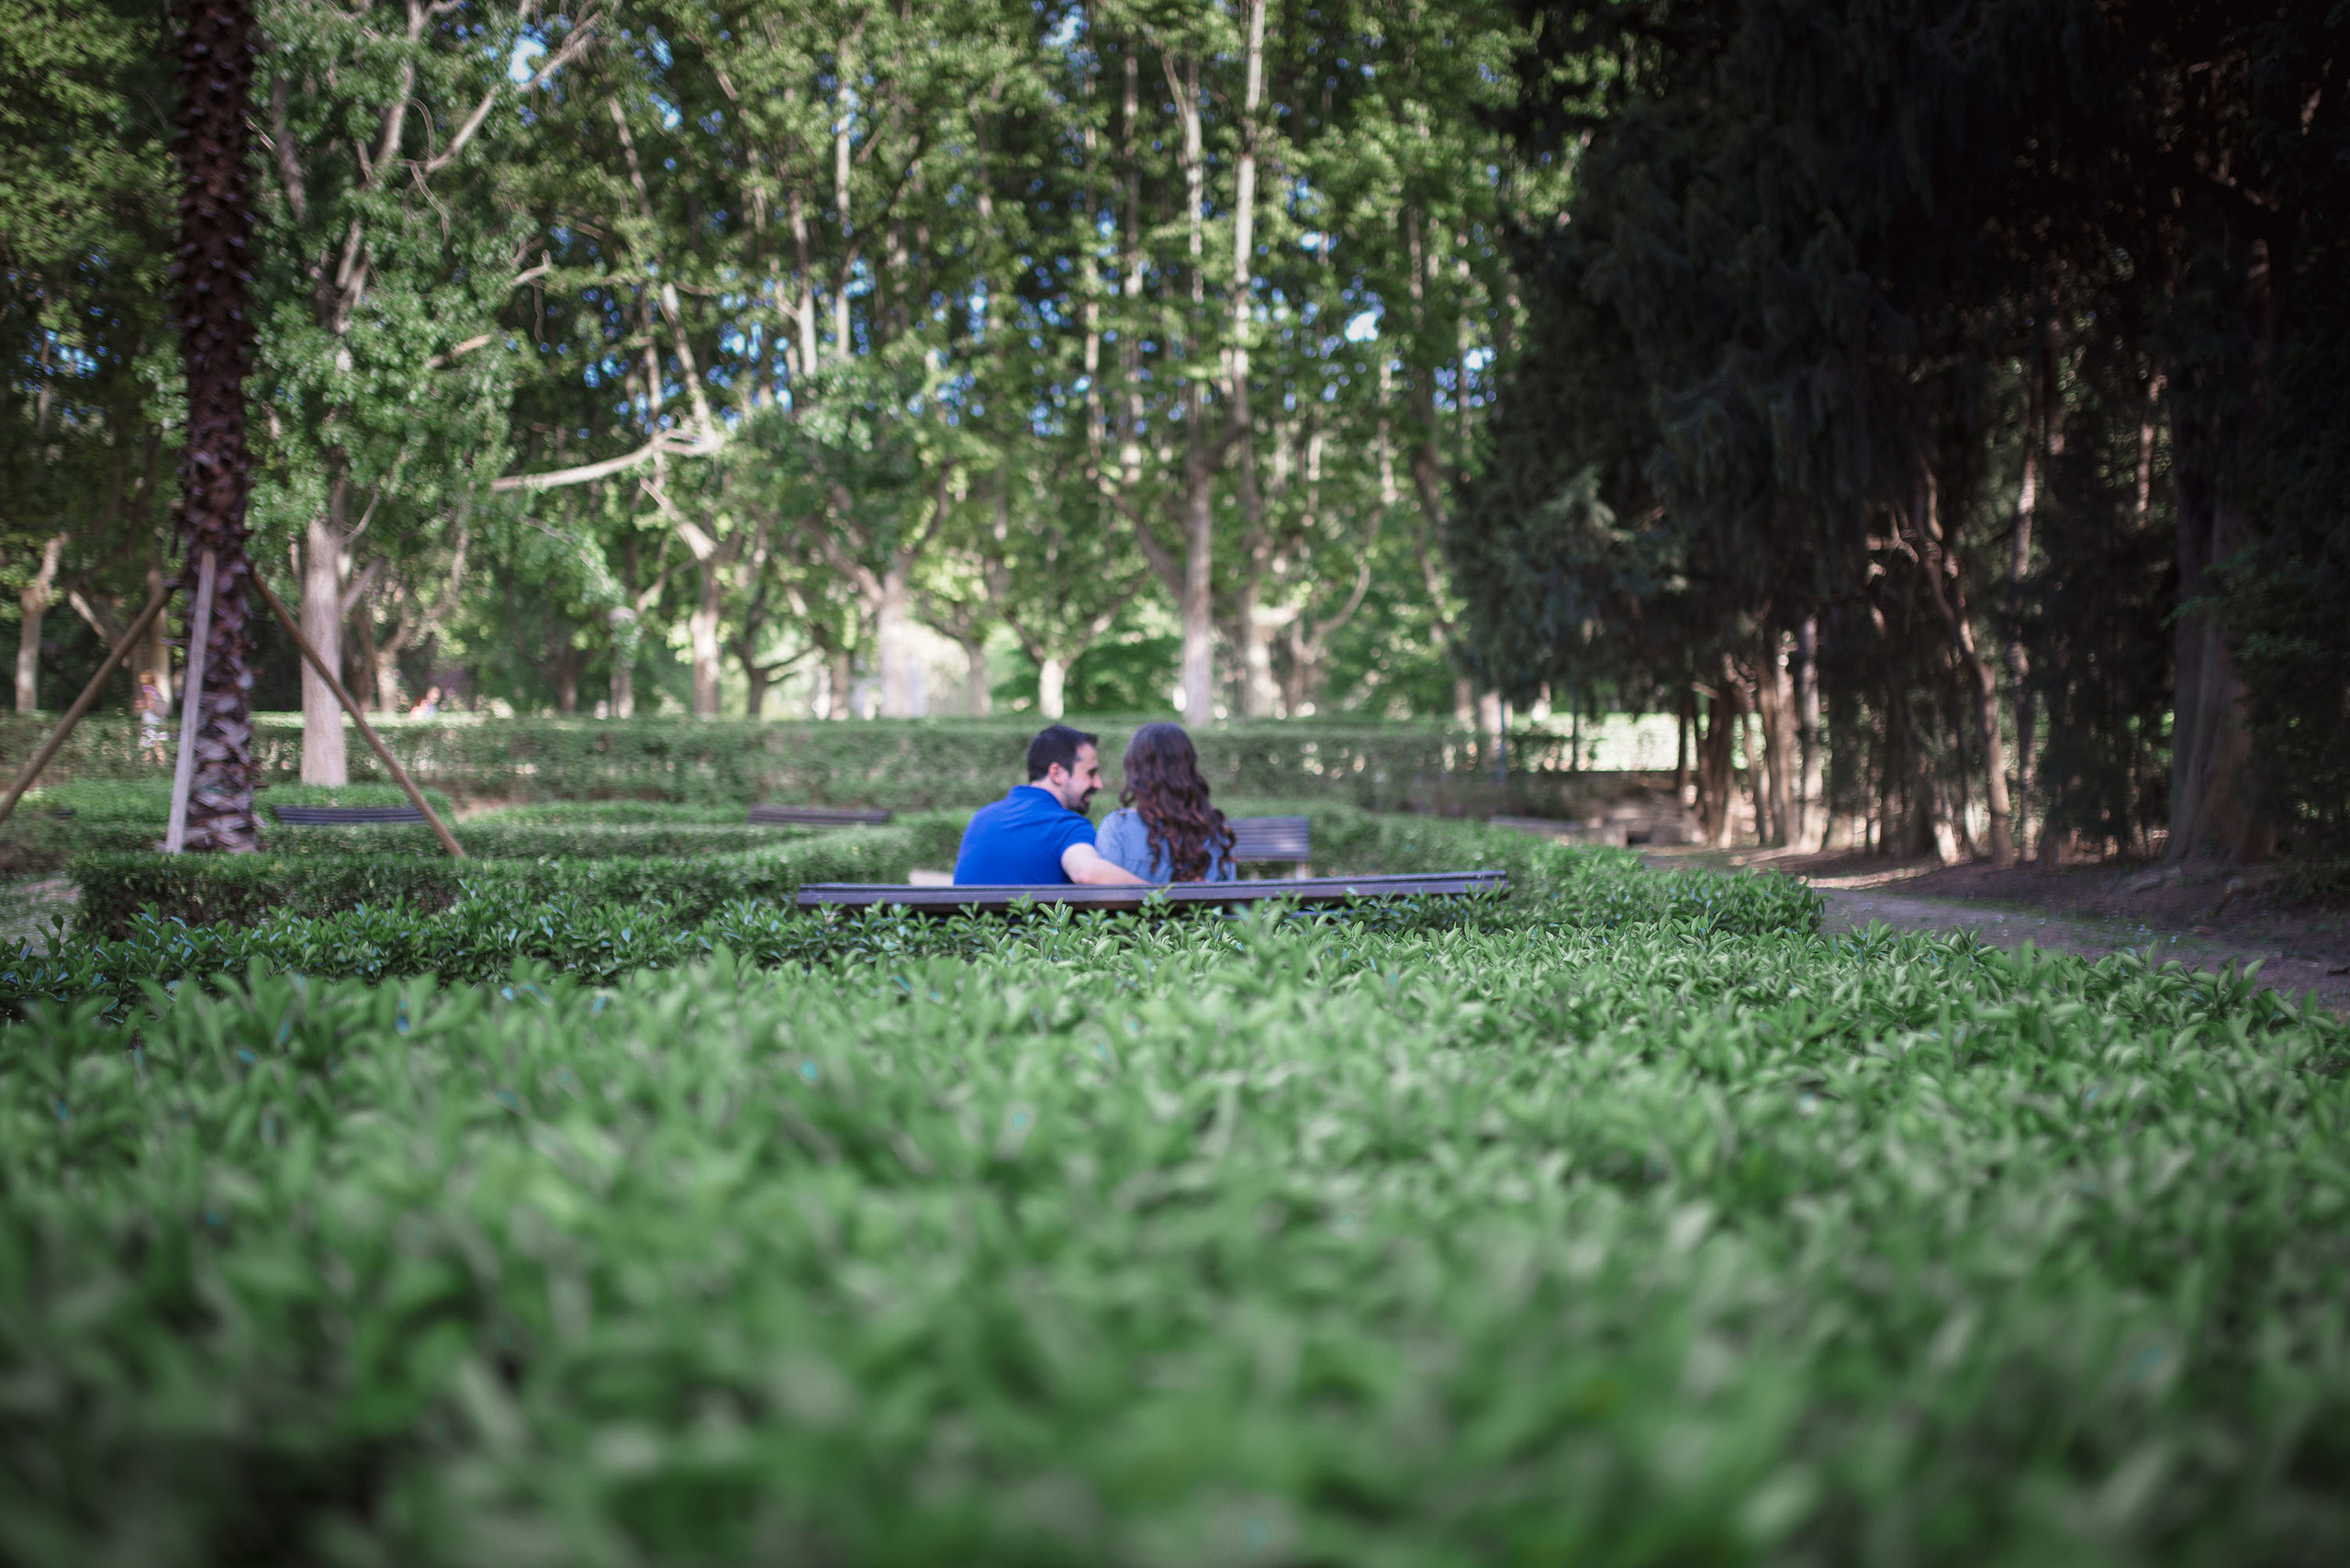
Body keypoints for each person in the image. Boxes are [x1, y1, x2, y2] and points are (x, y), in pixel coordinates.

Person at [953, 724, 1150, 886]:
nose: (1098, 784)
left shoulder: (982, 818)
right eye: (1090, 773)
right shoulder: (1067, 826)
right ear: (1057, 773)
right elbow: (1087, 873)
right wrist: (1161, 897)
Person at [1096, 722, 1236, 883]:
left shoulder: (1117, 827)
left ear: (1135, 770)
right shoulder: (1213, 826)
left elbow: (1103, 900)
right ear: (1189, 768)